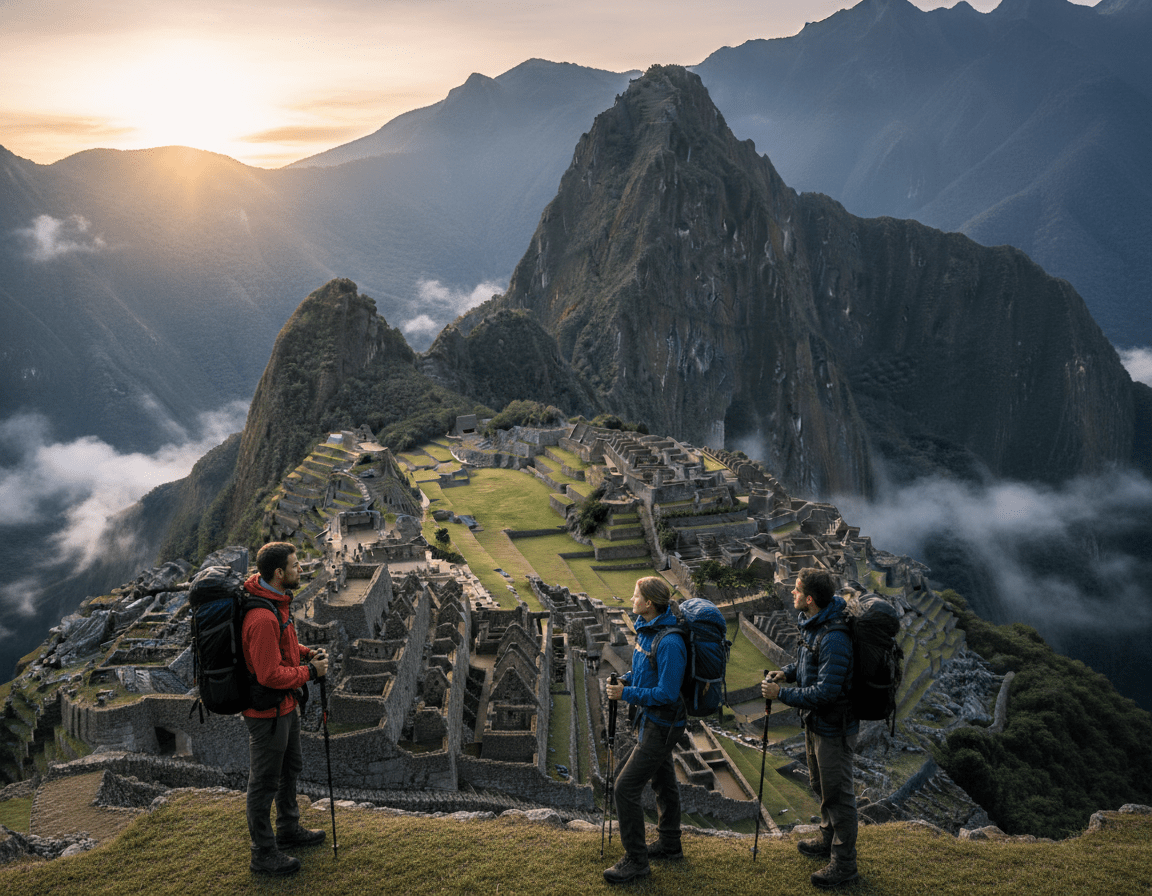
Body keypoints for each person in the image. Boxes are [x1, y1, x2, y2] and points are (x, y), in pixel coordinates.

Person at [762, 568, 859, 888]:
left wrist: (782, 695)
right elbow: (808, 664)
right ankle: (828, 841)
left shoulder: (834, 636)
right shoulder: (815, 626)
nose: (792, 593)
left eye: (797, 589)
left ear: (810, 599)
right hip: (815, 723)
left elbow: (827, 692)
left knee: (839, 796)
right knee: (821, 786)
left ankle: (844, 865)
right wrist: (786, 674)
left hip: (833, 727)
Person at [243, 542, 329, 876]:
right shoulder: (262, 616)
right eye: (295, 566)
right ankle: (263, 853)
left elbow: (284, 644)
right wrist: (310, 673)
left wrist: (306, 653)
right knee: (264, 782)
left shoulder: (276, 602)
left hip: (286, 706)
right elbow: (268, 674)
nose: (301, 570)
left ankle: (288, 829)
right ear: (279, 573)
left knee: (290, 768)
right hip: (267, 713)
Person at [603, 576, 687, 884]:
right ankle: (669, 844)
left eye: (635, 595)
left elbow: (666, 692)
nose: (631, 598)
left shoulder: (670, 642)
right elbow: (643, 670)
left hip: (663, 724)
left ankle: (636, 861)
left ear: (649, 603)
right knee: (664, 783)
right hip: (651, 721)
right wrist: (626, 680)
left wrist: (625, 695)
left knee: (624, 788)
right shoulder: (648, 631)